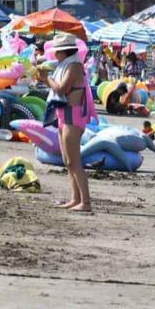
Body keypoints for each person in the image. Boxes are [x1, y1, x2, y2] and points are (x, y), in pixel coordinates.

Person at [38, 33, 91, 212]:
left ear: (64, 52)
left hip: (73, 115)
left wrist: (46, 78)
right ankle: (75, 198)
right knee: (68, 161)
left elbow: (61, 89)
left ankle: (86, 202)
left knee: (74, 161)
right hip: (63, 113)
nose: (55, 55)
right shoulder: (65, 64)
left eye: (57, 52)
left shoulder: (74, 66)